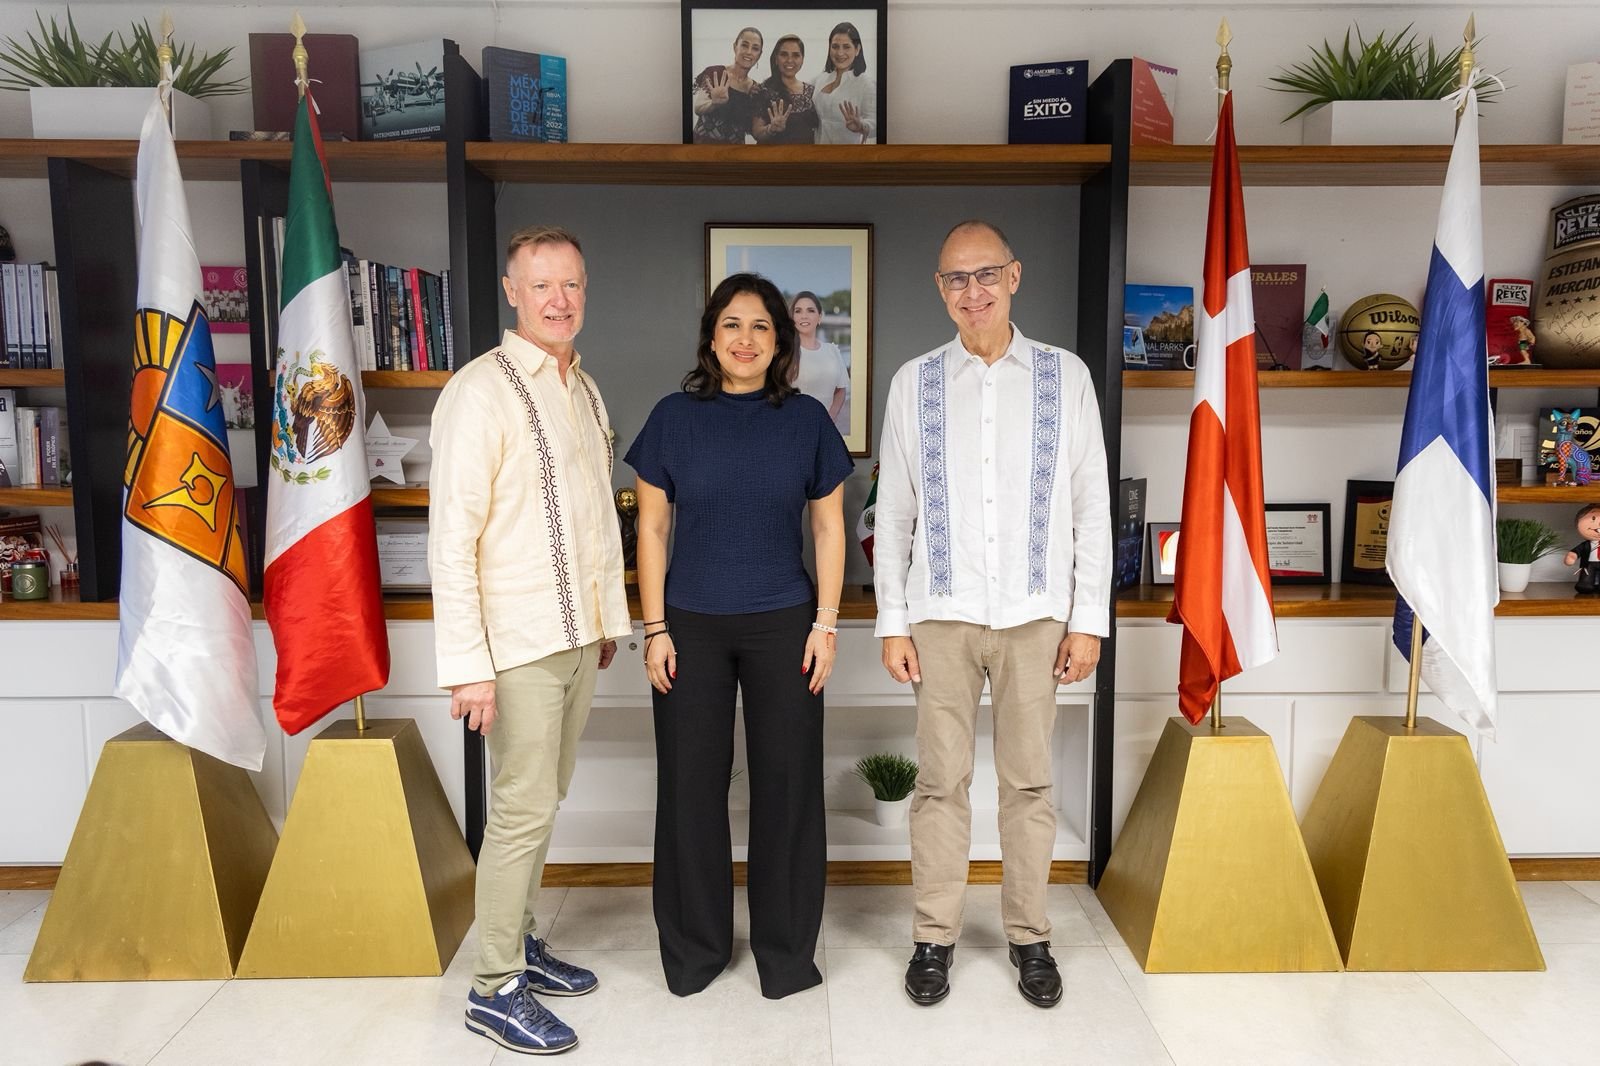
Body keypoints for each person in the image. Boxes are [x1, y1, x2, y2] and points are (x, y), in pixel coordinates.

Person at [874, 220, 1111, 1009]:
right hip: (940, 614)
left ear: (1014, 276)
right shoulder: (914, 383)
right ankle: (933, 938)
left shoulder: (1064, 377)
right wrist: (892, 621)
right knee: (940, 784)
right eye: (955, 278)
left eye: (984, 275)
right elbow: (895, 511)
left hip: (1035, 614)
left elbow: (1090, 504)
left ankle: (1030, 936)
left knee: (1029, 783)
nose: (970, 292)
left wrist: (1087, 618)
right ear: (940, 289)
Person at [430, 225, 630, 1056]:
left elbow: (594, 518)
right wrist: (468, 670)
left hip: (577, 636)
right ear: (512, 292)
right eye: (541, 285)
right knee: (519, 808)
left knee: (544, 799)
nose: (559, 300)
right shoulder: (479, 391)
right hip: (514, 646)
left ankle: (516, 939)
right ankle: (493, 987)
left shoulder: (584, 389)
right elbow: (452, 539)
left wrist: (606, 621)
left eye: (571, 284)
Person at [625, 272, 852, 1001]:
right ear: (711, 336)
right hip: (688, 627)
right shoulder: (672, 418)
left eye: (760, 326)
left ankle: (785, 956)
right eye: (731, 324)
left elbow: (828, 528)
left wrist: (825, 624)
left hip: (787, 624)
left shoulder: (807, 421)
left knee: (788, 788)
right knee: (690, 789)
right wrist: (654, 629)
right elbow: (652, 528)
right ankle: (695, 952)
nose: (745, 339)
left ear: (780, 341)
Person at [691, 27, 765, 144]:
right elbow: (698, 107)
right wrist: (714, 104)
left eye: (755, 48)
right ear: (735, 47)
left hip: (735, 152)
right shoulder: (716, 73)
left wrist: (771, 128)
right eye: (744, 45)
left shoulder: (755, 89)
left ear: (759, 55)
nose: (749, 52)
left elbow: (755, 130)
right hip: (703, 148)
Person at [809, 21, 877, 144]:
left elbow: (876, 124)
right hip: (818, 153)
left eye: (846, 47)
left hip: (848, 154)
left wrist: (861, 126)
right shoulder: (819, 79)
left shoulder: (866, 84)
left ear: (857, 49)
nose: (840, 53)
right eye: (835, 46)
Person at [789, 290, 848, 428]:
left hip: (826, 428)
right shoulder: (786, 353)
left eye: (810, 310)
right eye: (798, 311)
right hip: (794, 427)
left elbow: (841, 389)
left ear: (819, 317)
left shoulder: (832, 350)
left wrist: (830, 418)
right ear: (792, 317)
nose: (804, 316)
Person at [753, 34, 820, 145]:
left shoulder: (811, 91)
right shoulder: (763, 90)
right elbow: (757, 132)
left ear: (802, 59)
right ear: (776, 59)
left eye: (796, 55)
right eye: (784, 54)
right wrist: (771, 129)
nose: (789, 60)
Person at [1564, 503, 1600, 594]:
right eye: (1593, 518)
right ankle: (1585, 585)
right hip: (1588, 565)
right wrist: (1572, 556)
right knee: (1586, 580)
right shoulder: (1586, 545)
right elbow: (1577, 551)